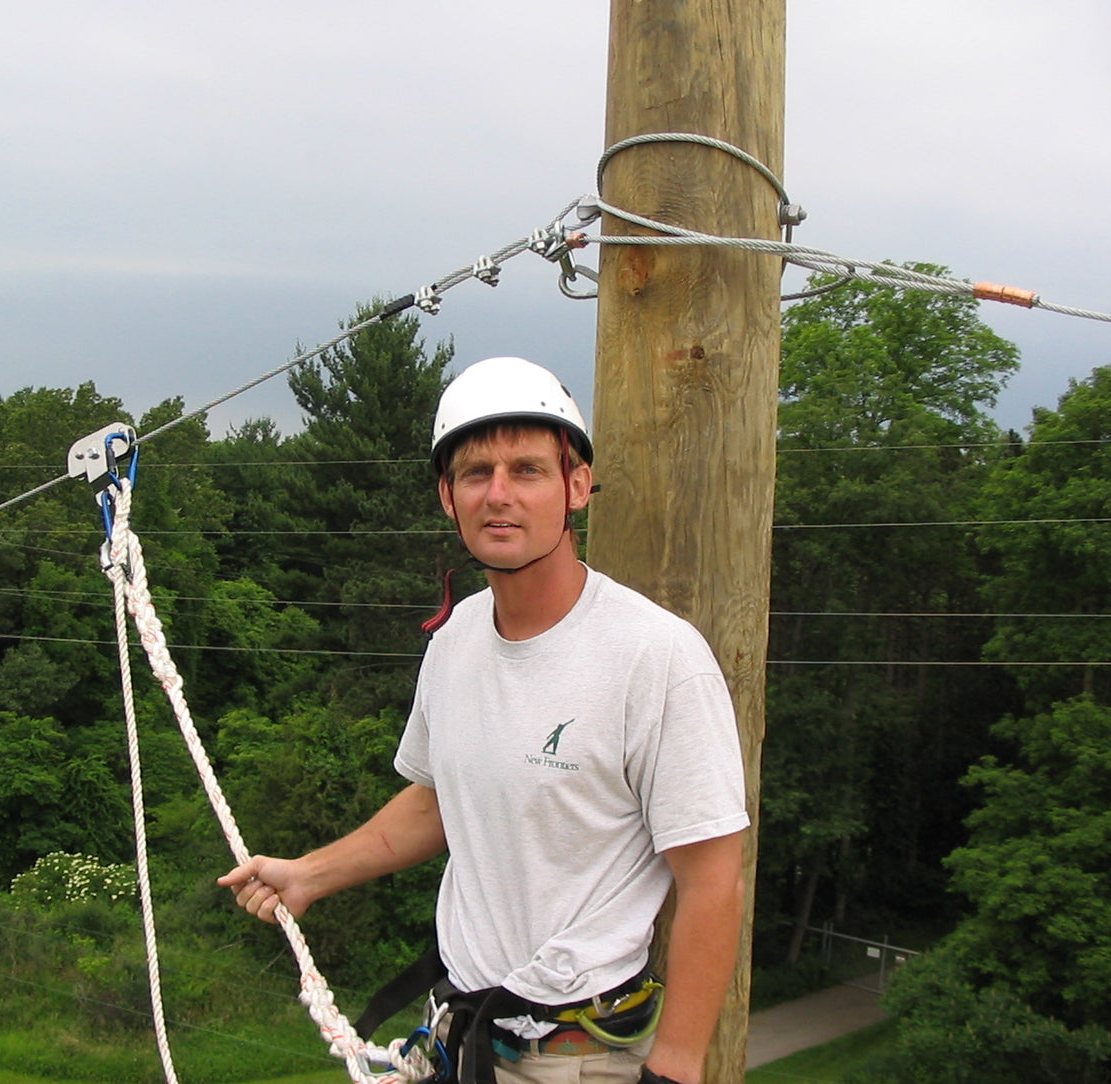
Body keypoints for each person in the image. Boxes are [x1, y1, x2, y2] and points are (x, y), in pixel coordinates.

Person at [219, 357, 749, 1084]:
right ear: (447, 496)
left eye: (526, 470)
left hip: (580, 1053)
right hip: (461, 1033)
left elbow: (713, 876)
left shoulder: (654, 658)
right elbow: (441, 798)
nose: (498, 495)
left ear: (576, 486)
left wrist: (678, 1067)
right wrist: (309, 874)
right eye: (476, 473)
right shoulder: (456, 639)